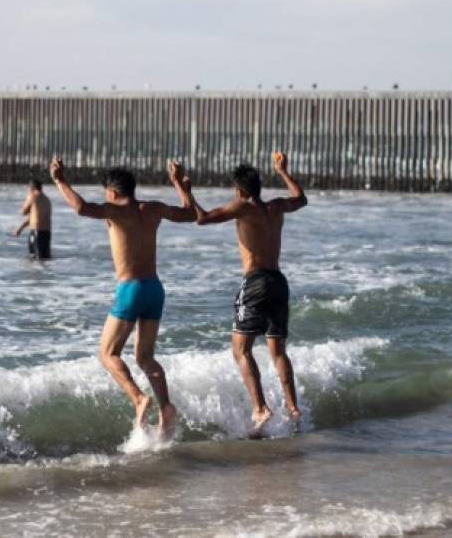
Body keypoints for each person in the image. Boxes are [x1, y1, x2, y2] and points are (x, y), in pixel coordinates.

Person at [49, 157, 194, 438]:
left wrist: (59, 180)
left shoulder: (114, 211)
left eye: (107, 194)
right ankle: (166, 407)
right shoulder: (152, 209)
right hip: (155, 289)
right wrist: (179, 183)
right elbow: (190, 214)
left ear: (113, 193)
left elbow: (80, 207)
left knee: (107, 353)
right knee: (146, 357)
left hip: (131, 289)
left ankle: (139, 399)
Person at [189, 152, 308, 431]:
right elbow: (301, 198)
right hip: (279, 282)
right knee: (278, 350)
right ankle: (292, 408)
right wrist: (282, 171)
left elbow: (202, 218)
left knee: (241, 349)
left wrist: (185, 189)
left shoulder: (243, 208)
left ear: (239, 190)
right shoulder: (276, 207)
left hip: (255, 283)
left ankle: (260, 408)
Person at [13, 178, 52, 259]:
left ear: (32, 188)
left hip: (36, 233)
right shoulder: (47, 200)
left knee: (34, 258)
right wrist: (20, 228)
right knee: (45, 258)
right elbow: (34, 217)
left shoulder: (33, 196)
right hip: (47, 233)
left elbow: (23, 212)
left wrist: (27, 199)